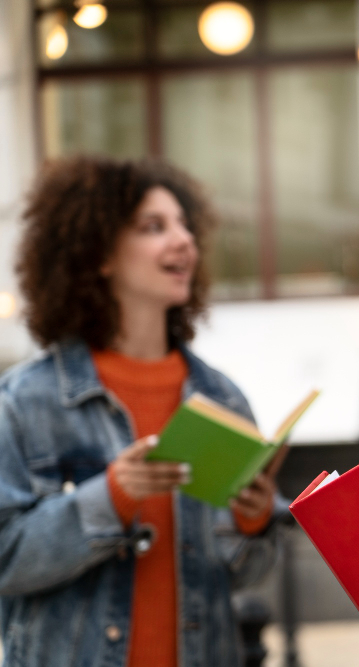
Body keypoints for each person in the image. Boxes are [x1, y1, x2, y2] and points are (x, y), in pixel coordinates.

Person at [0, 156, 279, 667]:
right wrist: (111, 496)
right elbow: (6, 559)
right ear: (98, 253)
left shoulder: (223, 400)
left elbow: (245, 575)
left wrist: (252, 522)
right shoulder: (23, 402)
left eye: (184, 225)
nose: (184, 241)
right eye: (154, 227)